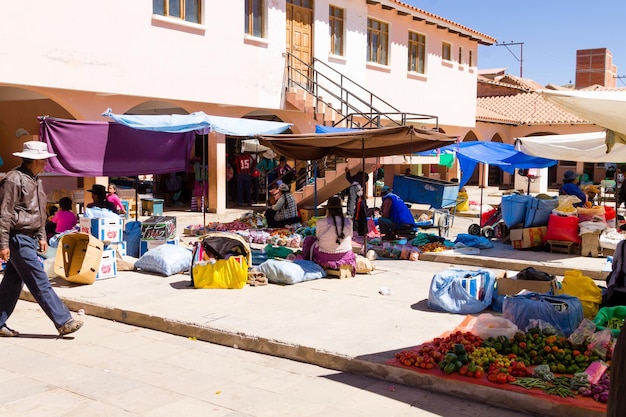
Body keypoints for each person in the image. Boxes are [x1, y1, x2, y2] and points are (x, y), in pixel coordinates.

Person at [0, 141, 83, 337]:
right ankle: (64, 321)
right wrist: (3, 244)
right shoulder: (13, 179)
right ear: (34, 160)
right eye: (44, 159)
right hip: (17, 238)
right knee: (39, 280)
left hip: (29, 237)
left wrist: (42, 235)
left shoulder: (36, 180)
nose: (46, 163)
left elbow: (39, 213)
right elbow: (4, 214)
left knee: (12, 282)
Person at [302, 196, 356, 276]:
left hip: (325, 255)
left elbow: (318, 237)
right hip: (345, 254)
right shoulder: (349, 222)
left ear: (328, 210)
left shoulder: (321, 222)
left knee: (309, 240)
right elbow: (350, 236)